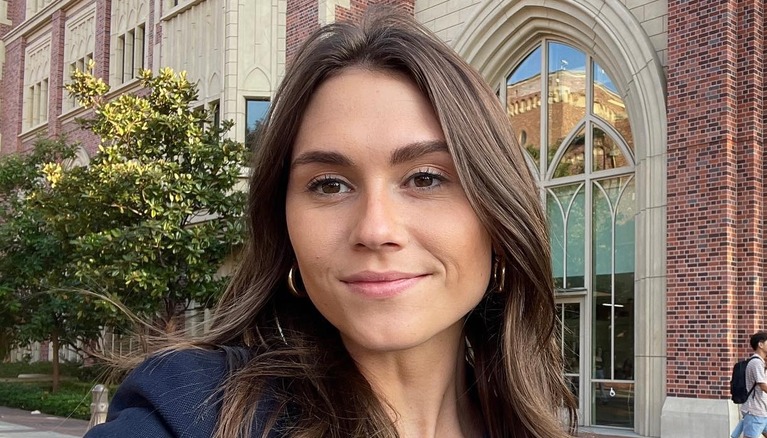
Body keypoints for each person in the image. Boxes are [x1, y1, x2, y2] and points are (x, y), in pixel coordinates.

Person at [85, 7, 577, 438]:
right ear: (286, 228)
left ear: (498, 214)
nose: (375, 229)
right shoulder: (195, 411)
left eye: (425, 178)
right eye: (329, 185)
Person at [731, 332, 767, 438]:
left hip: (764, 412)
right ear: (760, 345)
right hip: (754, 412)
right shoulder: (756, 363)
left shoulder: (760, 362)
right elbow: (763, 385)